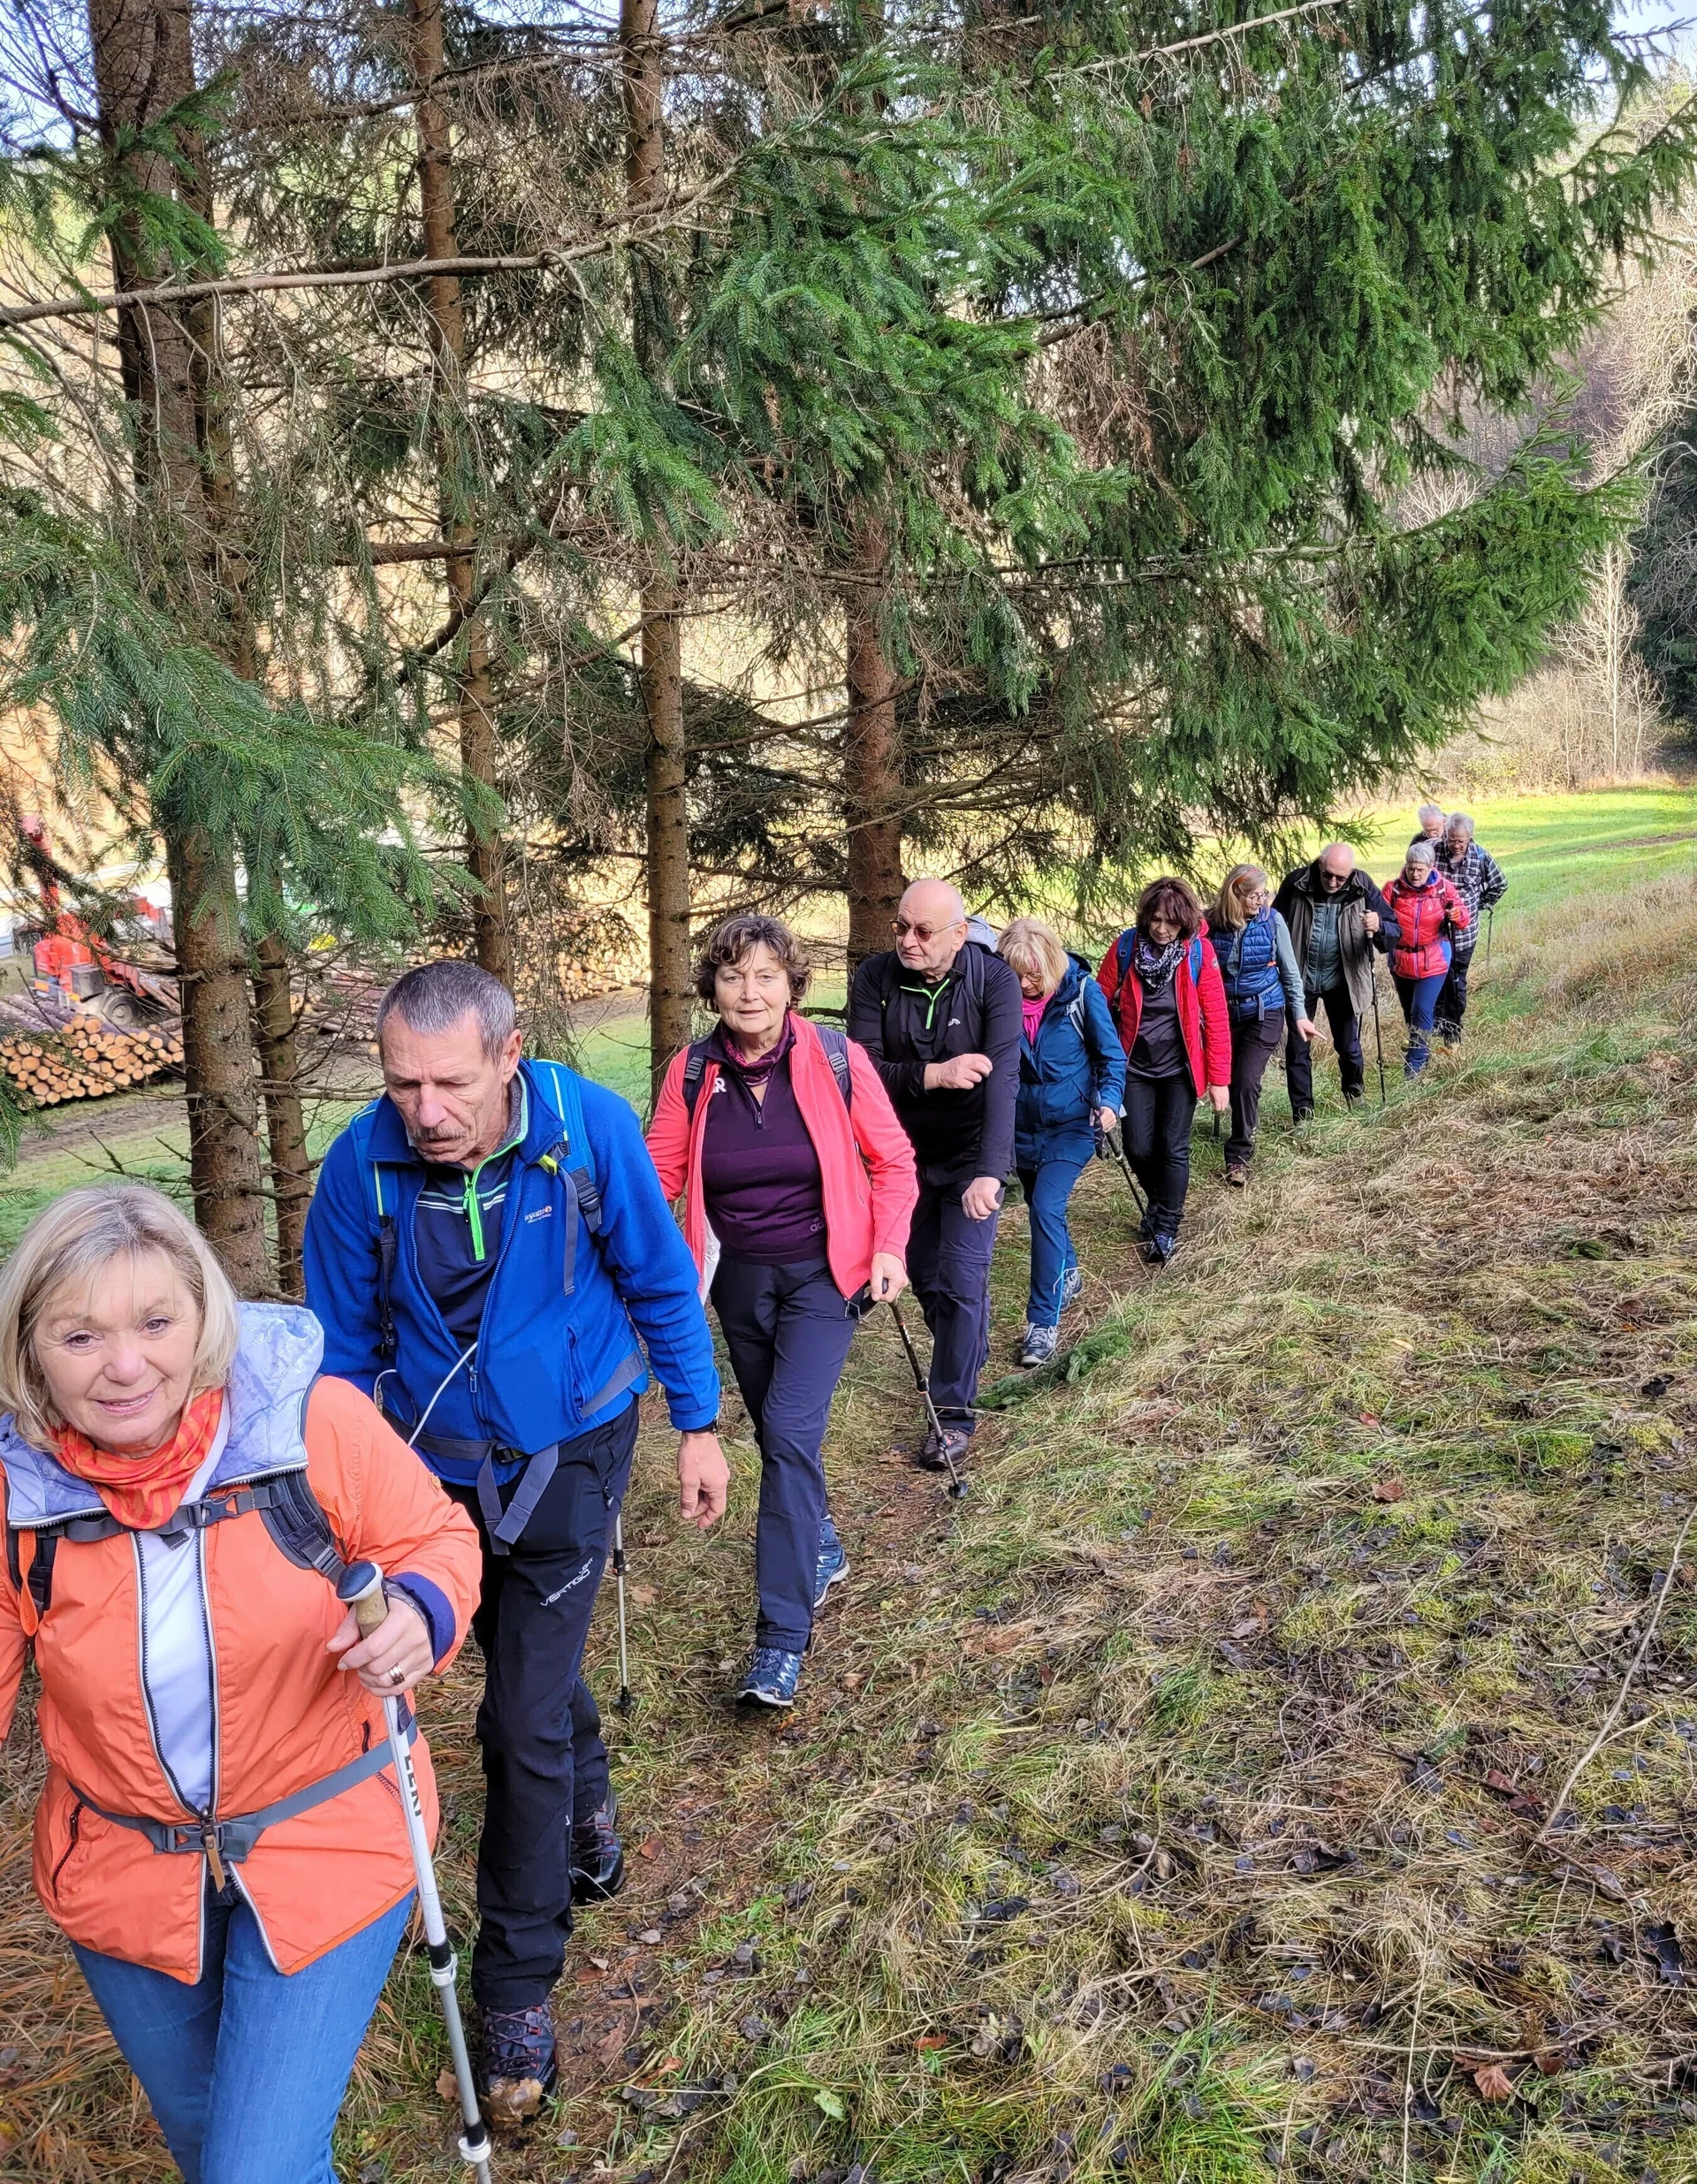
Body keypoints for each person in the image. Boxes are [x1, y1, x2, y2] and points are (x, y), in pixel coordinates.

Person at [302, 960, 727, 2117]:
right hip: (427, 1481)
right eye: (402, 1085)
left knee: (515, 1716)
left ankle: (516, 1989)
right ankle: (588, 1805)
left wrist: (699, 1423)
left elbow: (656, 1274)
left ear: (509, 1052)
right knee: (526, 1675)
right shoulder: (361, 1165)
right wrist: (341, 1505)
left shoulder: (586, 1128)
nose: (426, 1111)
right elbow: (337, 1351)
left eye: (449, 1082)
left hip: (575, 1449)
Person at [0, 1183, 481, 2184]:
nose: (126, 1365)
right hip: (124, 1869)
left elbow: (434, 1536)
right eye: (79, 1335)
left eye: (155, 1321)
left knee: (253, 2170)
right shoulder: (19, 1493)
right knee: (211, 2150)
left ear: (203, 1318)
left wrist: (419, 1615)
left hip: (330, 1837)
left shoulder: (307, 1422)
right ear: (30, 1350)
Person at [646, 915, 917, 1709]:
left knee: (791, 1434)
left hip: (825, 1275)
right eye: (733, 977)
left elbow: (892, 1159)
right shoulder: (693, 1072)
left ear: (792, 985)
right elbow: (658, 1175)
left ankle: (780, 1639)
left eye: (766, 975)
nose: (750, 991)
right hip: (736, 1278)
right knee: (773, 1429)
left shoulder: (836, 1058)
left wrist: (889, 1246)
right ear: (714, 990)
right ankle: (819, 1541)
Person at [847, 879, 1022, 1479]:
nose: (908, 941)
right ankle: (967, 1346)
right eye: (901, 926)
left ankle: (952, 1416)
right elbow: (863, 1073)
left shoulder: (992, 979)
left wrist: (991, 1173)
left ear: (959, 933)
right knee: (922, 1277)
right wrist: (934, 1075)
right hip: (901, 1159)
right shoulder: (874, 978)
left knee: (962, 1279)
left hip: (972, 1153)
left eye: (923, 931)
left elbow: (1002, 1082)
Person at [997, 917, 1126, 1368]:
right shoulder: (999, 1001)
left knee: (1045, 1208)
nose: (1026, 984)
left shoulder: (1082, 994)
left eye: (1034, 974)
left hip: (1073, 1125)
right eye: (1017, 975)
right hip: (1020, 1129)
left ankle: (1042, 1324)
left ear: (1052, 962)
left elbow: (1112, 1058)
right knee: (1039, 1203)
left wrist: (1109, 1102)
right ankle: (1068, 1272)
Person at [1095, 878, 1230, 1265]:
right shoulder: (1125, 948)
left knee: (1173, 1148)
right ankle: (1160, 1204)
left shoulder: (1197, 954)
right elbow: (1098, 1004)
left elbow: (1217, 1018)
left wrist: (1220, 1080)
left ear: (1185, 923)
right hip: (1132, 1066)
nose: (1161, 929)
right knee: (1137, 1146)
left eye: (1171, 922)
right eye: (1155, 919)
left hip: (1180, 1069)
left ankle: (1165, 1225)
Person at [1273, 843, 1401, 1118]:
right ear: (1320, 865)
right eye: (1327, 874)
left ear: (1351, 873)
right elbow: (1273, 923)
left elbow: (1393, 931)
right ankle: (1303, 1113)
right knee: (1297, 1050)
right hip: (1299, 980)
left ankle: (1355, 1095)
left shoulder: (1362, 886)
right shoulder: (1296, 883)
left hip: (1341, 980)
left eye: (1340, 878)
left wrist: (1378, 926)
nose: (1332, 882)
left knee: (1348, 1046)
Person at [1206, 865, 1314, 1186]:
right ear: (1234, 895)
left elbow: (1290, 971)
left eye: (1264, 894)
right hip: (1223, 1014)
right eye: (1254, 895)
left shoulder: (1272, 921)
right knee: (1222, 1076)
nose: (1261, 901)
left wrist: (1299, 1015)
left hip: (1265, 1010)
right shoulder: (1210, 924)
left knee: (1246, 1079)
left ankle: (1238, 1155)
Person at [1383, 841, 1469, 1076]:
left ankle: (1414, 1068)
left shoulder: (1443, 889)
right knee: (1410, 1011)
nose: (1415, 873)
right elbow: (1381, 922)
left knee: (1422, 1009)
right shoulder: (1393, 890)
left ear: (1431, 867)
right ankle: (1421, 1049)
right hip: (1402, 961)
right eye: (1411, 868)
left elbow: (1463, 920)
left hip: (1434, 960)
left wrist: (1456, 914)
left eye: (1421, 869)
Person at [1432, 811, 1507, 1046]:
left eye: (1460, 841)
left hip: (1465, 935)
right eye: (1451, 839)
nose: (1455, 845)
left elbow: (1500, 884)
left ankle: (1452, 1029)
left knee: (1456, 980)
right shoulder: (1433, 852)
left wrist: (1477, 905)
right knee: (1436, 978)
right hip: (1435, 934)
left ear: (1470, 838)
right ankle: (1435, 1022)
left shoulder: (1481, 856)